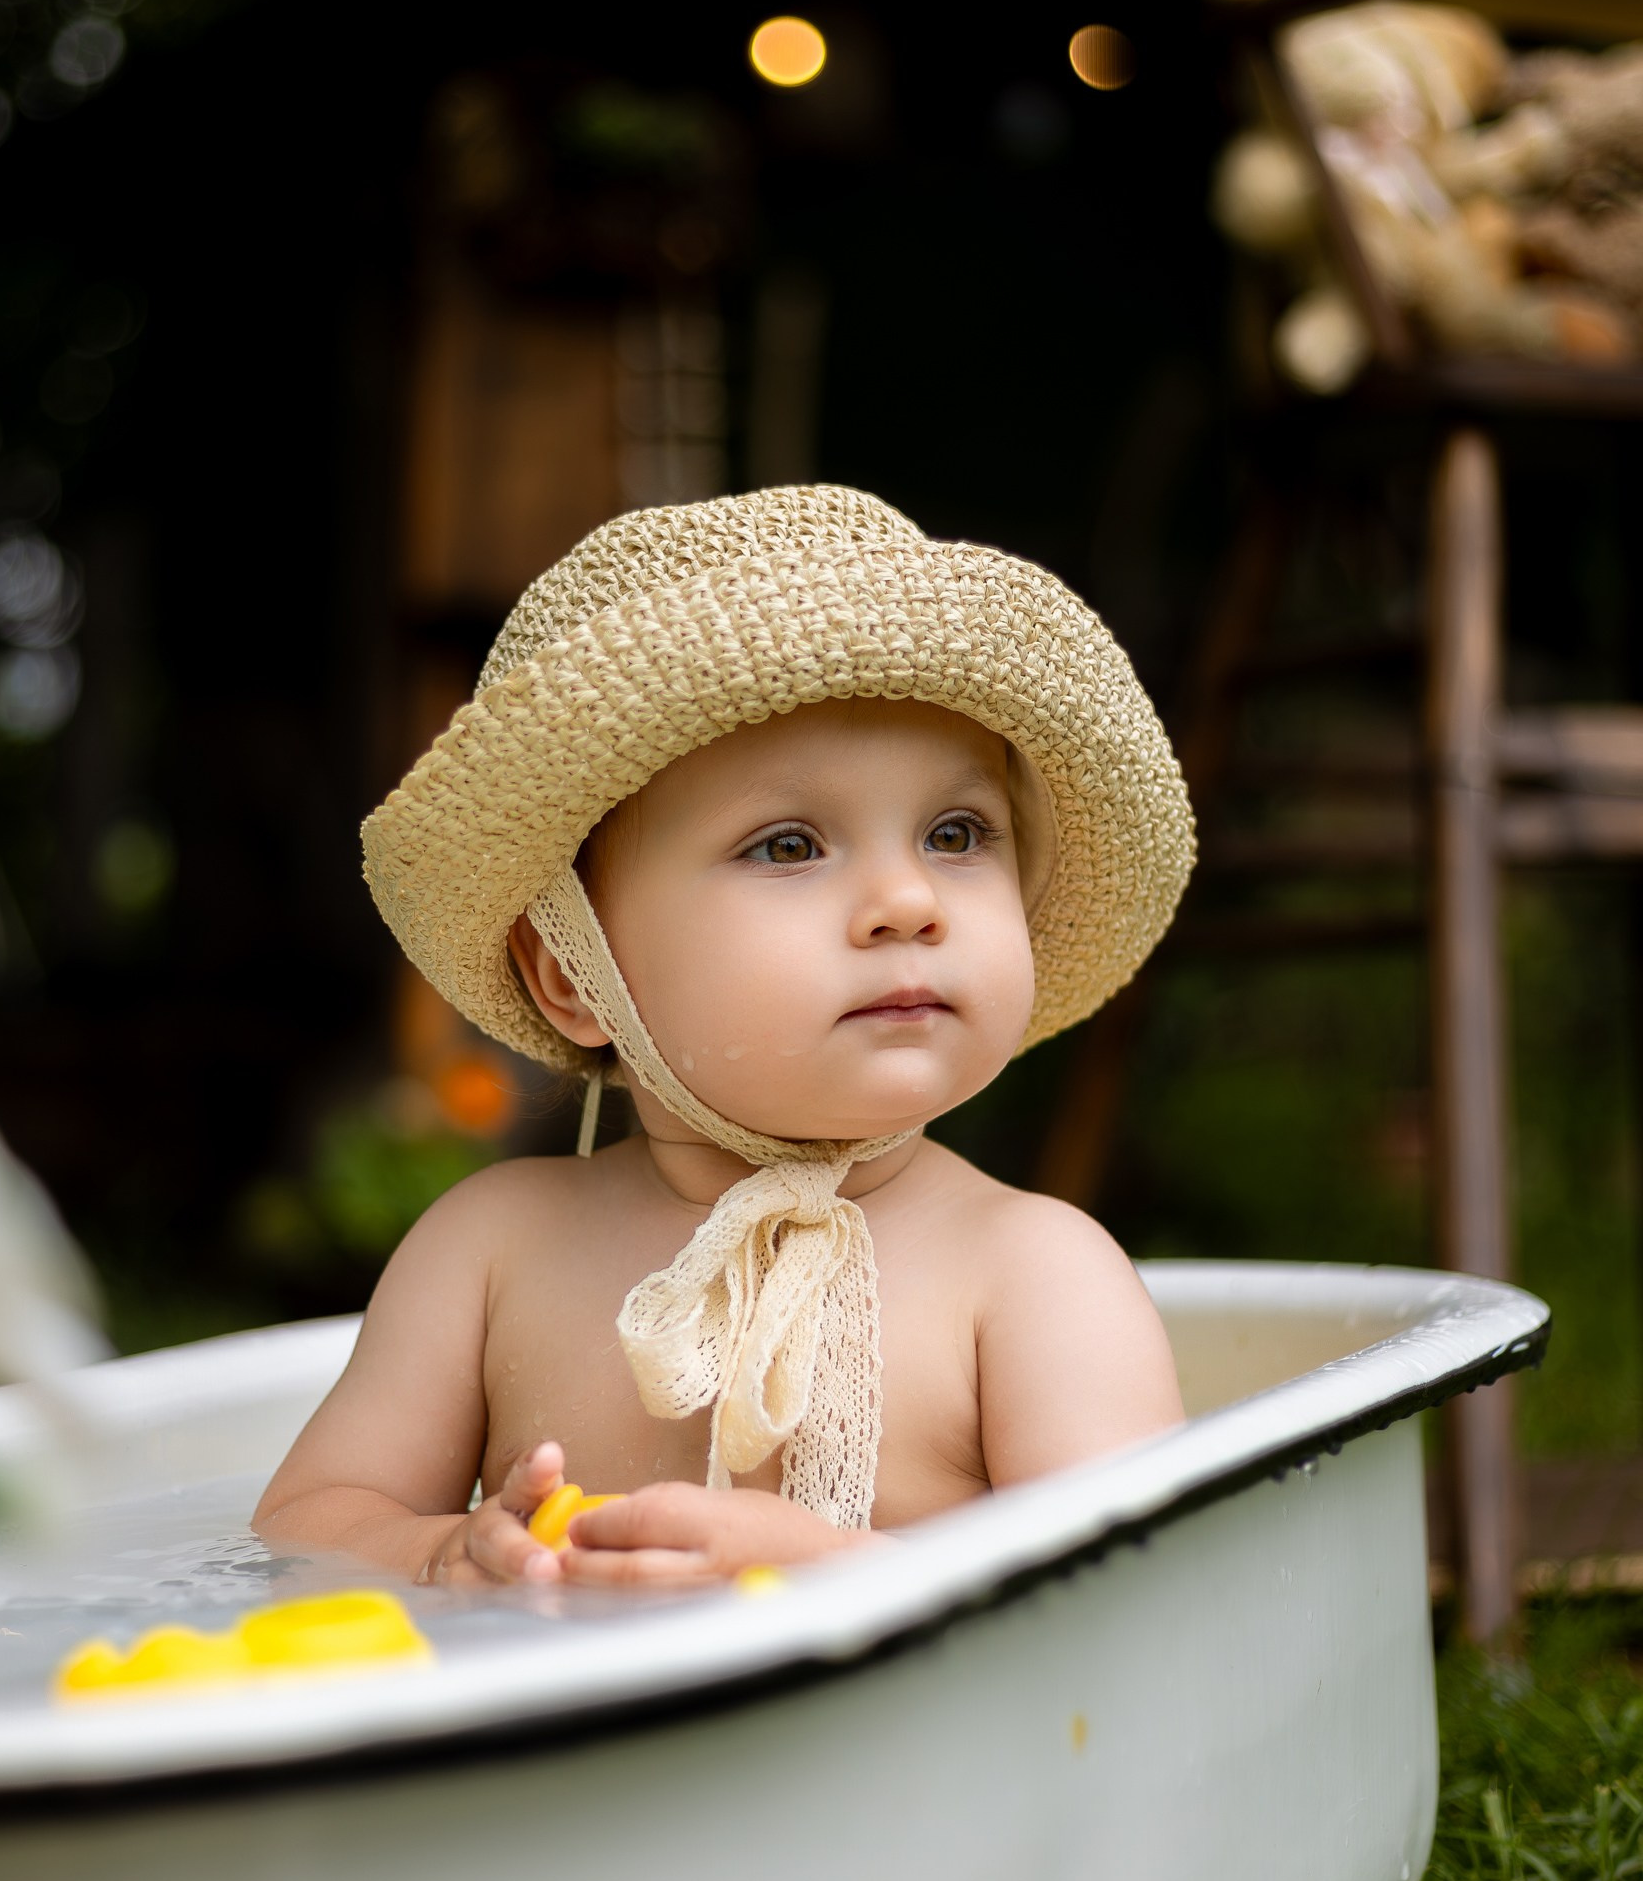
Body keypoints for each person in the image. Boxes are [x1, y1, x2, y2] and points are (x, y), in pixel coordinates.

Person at [255, 485, 1194, 1588]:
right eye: (789, 845)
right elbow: (302, 1525)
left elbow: (1140, 1604)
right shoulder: (489, 1251)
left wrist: (840, 1569)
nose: (906, 900)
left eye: (955, 832)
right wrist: (438, 1550)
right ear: (573, 977)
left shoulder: (1034, 1275)